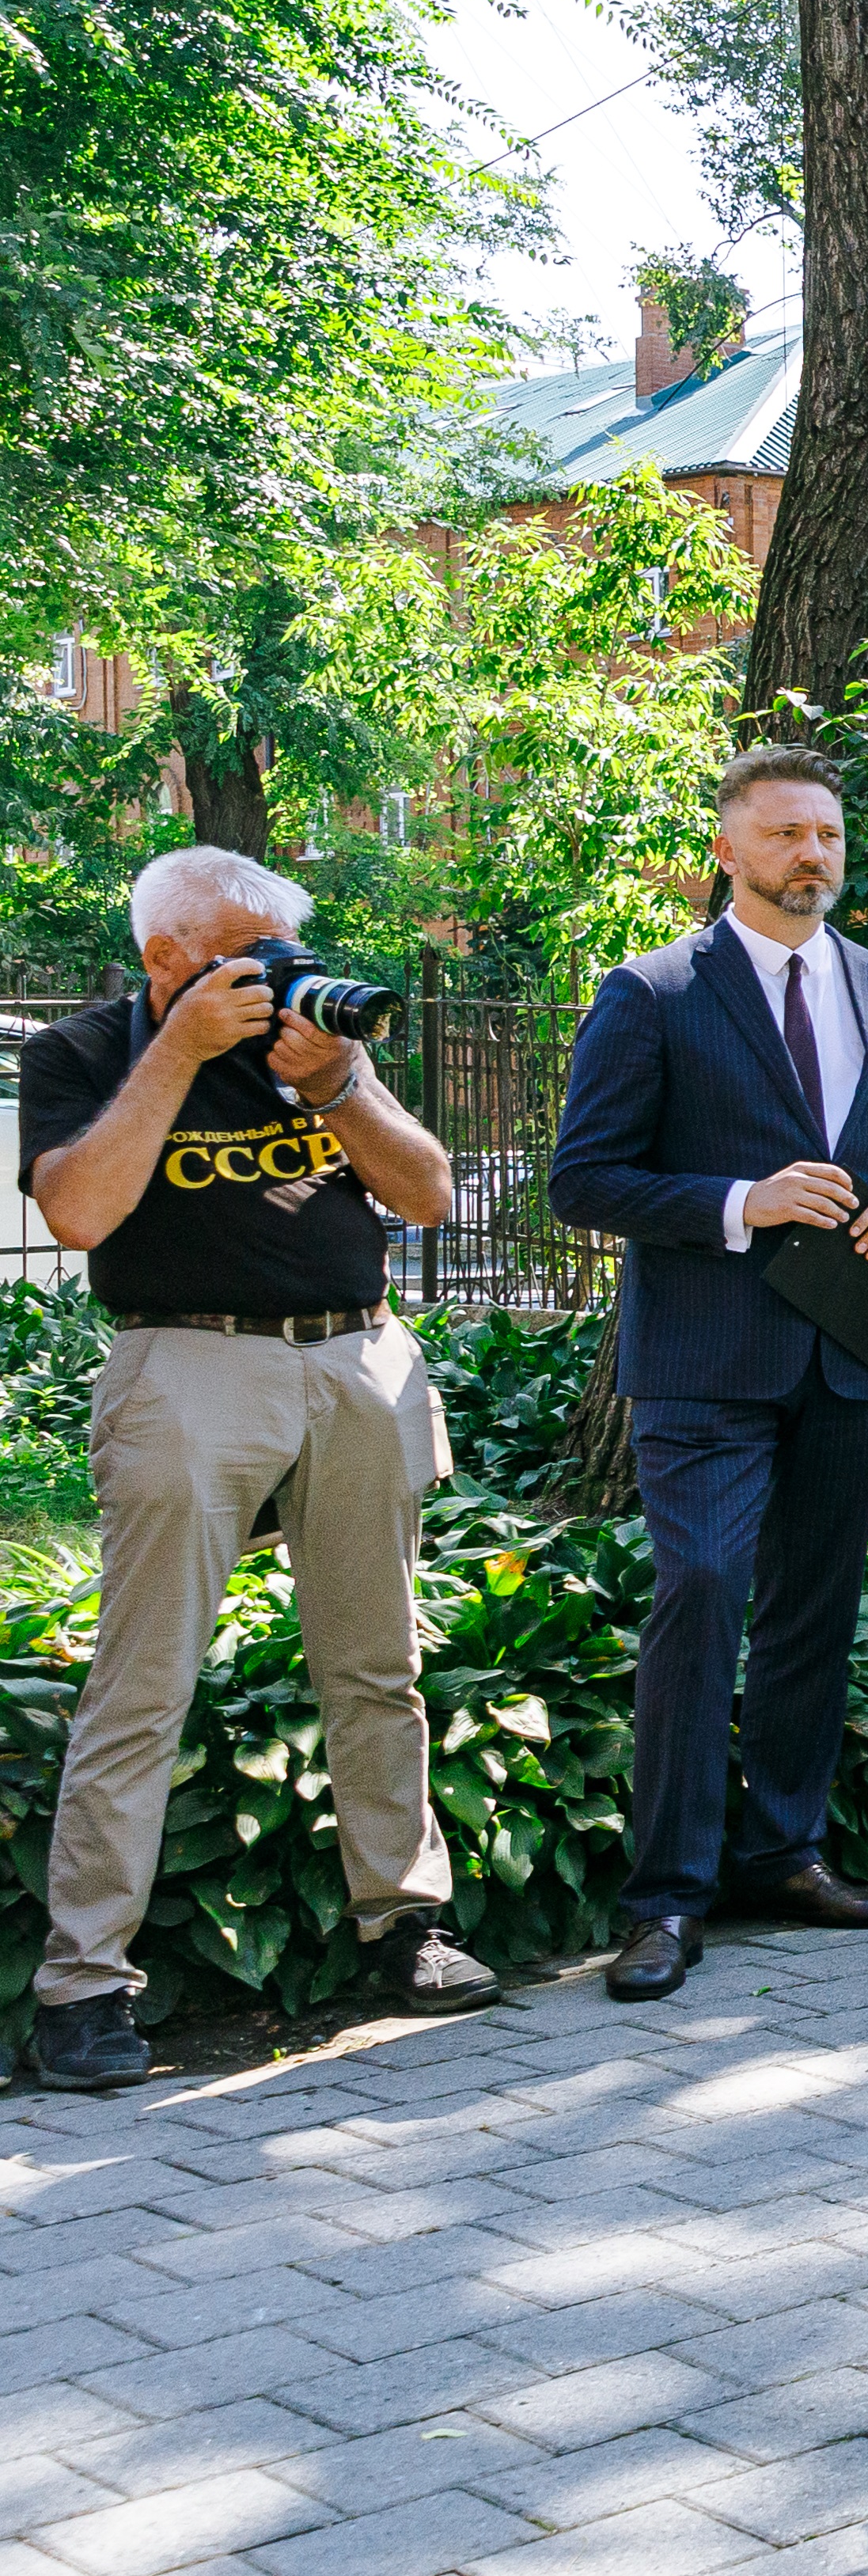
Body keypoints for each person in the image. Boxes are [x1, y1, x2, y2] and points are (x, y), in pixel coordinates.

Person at [20, 849, 490, 2091]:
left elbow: (429, 1192)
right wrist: (175, 1054)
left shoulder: (316, 1044)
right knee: (143, 1681)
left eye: (285, 954)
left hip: (356, 1357)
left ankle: (406, 1922)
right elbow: (76, 1213)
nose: (277, 979)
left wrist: (338, 1083)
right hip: (189, 1362)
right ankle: (82, 1988)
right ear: (166, 960)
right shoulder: (82, 1053)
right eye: (246, 956)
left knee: (374, 1660)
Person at [547, 745, 868, 2005]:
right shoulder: (653, 992)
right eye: (783, 836)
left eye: (826, 835)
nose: (810, 856)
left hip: (845, 1354)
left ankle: (784, 1852)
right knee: (705, 1591)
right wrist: (742, 1202)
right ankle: (666, 1897)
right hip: (706, 1360)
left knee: (813, 1614)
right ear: (728, 850)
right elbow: (584, 1179)